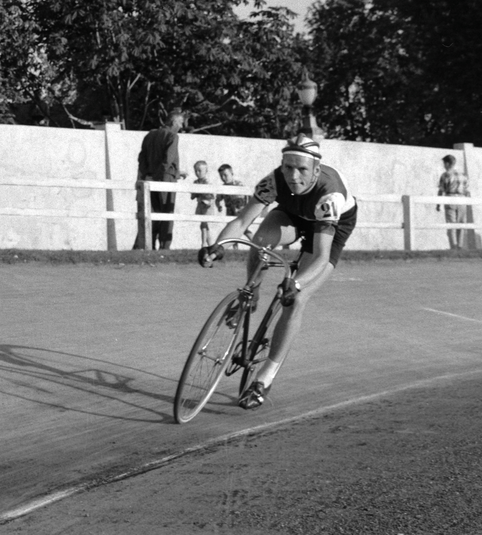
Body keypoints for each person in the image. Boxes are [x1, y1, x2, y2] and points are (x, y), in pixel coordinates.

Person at [200, 135, 358, 411]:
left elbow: (321, 256)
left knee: (296, 299)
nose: (293, 175)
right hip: (293, 214)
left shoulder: (330, 194)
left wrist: (296, 284)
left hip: (330, 227)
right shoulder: (273, 180)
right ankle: (252, 293)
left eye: (302, 169)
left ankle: (264, 379)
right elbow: (242, 221)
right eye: (288, 167)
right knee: (260, 241)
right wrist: (218, 245)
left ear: (316, 171)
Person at [134, 108, 185, 249]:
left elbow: (142, 159)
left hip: (149, 179)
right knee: (167, 214)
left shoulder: (150, 135)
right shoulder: (172, 137)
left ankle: (147, 244)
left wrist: (147, 176)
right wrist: (162, 176)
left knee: (152, 213)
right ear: (173, 122)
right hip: (165, 180)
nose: (181, 127)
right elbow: (167, 160)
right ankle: (164, 246)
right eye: (180, 123)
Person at [437, 154, 471, 249]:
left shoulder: (445, 175)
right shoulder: (463, 175)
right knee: (461, 224)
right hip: (462, 200)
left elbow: (441, 190)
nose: (444, 165)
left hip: (450, 198)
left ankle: (453, 247)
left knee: (451, 224)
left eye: (444, 163)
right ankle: (459, 246)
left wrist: (438, 204)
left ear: (448, 163)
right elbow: (467, 190)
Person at [192, 160, 215, 247]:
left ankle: (203, 243)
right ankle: (211, 244)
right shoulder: (196, 182)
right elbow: (192, 195)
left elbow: (211, 196)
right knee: (204, 225)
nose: (198, 173)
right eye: (196, 171)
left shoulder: (207, 182)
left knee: (204, 224)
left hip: (207, 205)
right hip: (200, 204)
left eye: (200, 170)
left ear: (206, 171)